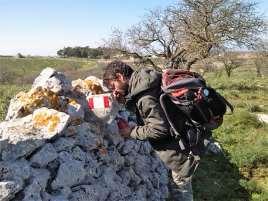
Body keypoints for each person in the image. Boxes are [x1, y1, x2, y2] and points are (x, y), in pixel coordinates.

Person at [103, 60, 202, 201]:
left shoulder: (145, 95)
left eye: (113, 86)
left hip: (179, 152)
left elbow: (159, 129)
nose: (114, 91)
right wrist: (124, 100)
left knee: (181, 190)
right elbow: (148, 111)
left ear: (120, 77)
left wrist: (131, 132)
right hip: (183, 144)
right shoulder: (145, 83)